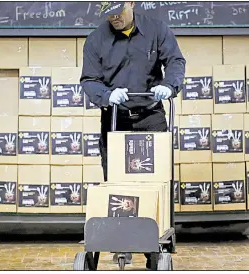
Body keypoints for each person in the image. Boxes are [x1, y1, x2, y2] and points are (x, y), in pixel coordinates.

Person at [80, 1, 186, 268]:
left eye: (118, 11)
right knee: (117, 183)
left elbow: (175, 60)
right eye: (108, 14)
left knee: (154, 181)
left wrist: (169, 86)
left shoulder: (156, 30)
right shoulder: (95, 40)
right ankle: (120, 242)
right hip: (115, 118)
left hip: (151, 116)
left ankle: (153, 250)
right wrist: (106, 95)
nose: (114, 18)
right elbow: (89, 80)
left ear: (131, 3)